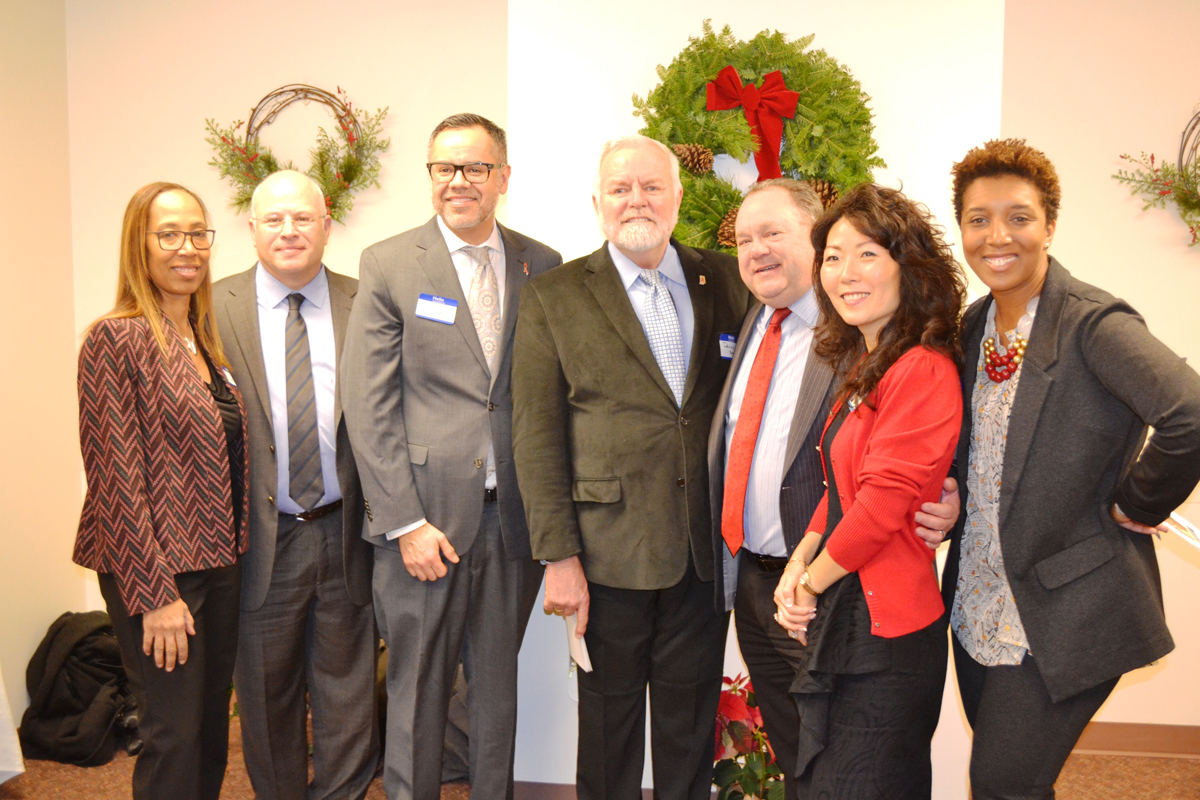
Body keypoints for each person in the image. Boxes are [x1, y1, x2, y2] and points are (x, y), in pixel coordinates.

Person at [942, 139, 1200, 799]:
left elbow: (1190, 413)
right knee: (1019, 781)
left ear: (1049, 225)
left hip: (1066, 606)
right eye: (978, 218)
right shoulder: (972, 329)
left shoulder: (1092, 324)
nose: (998, 235)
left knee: (1001, 783)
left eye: (1019, 216)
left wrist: (1137, 506)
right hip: (978, 600)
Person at [512, 134, 749, 800]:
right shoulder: (554, 297)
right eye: (620, 189)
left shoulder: (727, 280)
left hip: (702, 555)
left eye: (650, 187)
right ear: (597, 204)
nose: (635, 201)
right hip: (605, 555)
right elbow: (536, 436)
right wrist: (557, 555)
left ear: (677, 198)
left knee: (687, 731)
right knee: (609, 734)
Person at [709, 179, 960, 799]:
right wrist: (802, 560)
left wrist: (807, 582)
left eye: (867, 253)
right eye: (834, 257)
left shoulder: (922, 367)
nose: (846, 272)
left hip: (884, 631)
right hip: (839, 614)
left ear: (909, 266)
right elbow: (836, 485)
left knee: (864, 784)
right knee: (818, 779)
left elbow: (881, 505)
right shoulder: (866, 362)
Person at [341, 113, 561, 800]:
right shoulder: (387, 263)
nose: (458, 182)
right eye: (444, 168)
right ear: (431, 176)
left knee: (496, 691)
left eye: (473, 168)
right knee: (416, 691)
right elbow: (368, 406)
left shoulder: (542, 264)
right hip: (423, 525)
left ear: (502, 177)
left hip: (511, 521)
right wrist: (405, 522)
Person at [73, 182, 247, 800]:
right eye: (169, 234)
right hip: (159, 573)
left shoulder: (205, 340)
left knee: (205, 731)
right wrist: (156, 596)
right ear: (138, 246)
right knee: (171, 733)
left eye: (198, 233)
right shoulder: (115, 339)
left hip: (220, 564)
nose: (188, 248)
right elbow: (115, 481)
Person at [212, 170, 378, 800]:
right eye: (274, 220)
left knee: (348, 692)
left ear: (326, 226)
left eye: (303, 218)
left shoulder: (365, 301)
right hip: (259, 538)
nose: (289, 231)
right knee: (264, 693)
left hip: (344, 531)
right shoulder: (212, 307)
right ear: (251, 229)